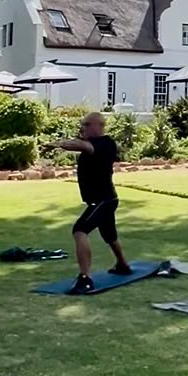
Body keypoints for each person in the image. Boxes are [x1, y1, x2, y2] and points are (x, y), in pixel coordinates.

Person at [55, 112, 130, 294]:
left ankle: (84, 278)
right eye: (83, 124)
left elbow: (83, 146)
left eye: (87, 124)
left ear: (99, 126)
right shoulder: (95, 144)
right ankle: (122, 265)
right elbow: (84, 145)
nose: (83, 127)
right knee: (109, 235)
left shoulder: (104, 143)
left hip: (102, 201)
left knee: (79, 231)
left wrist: (62, 143)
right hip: (106, 199)